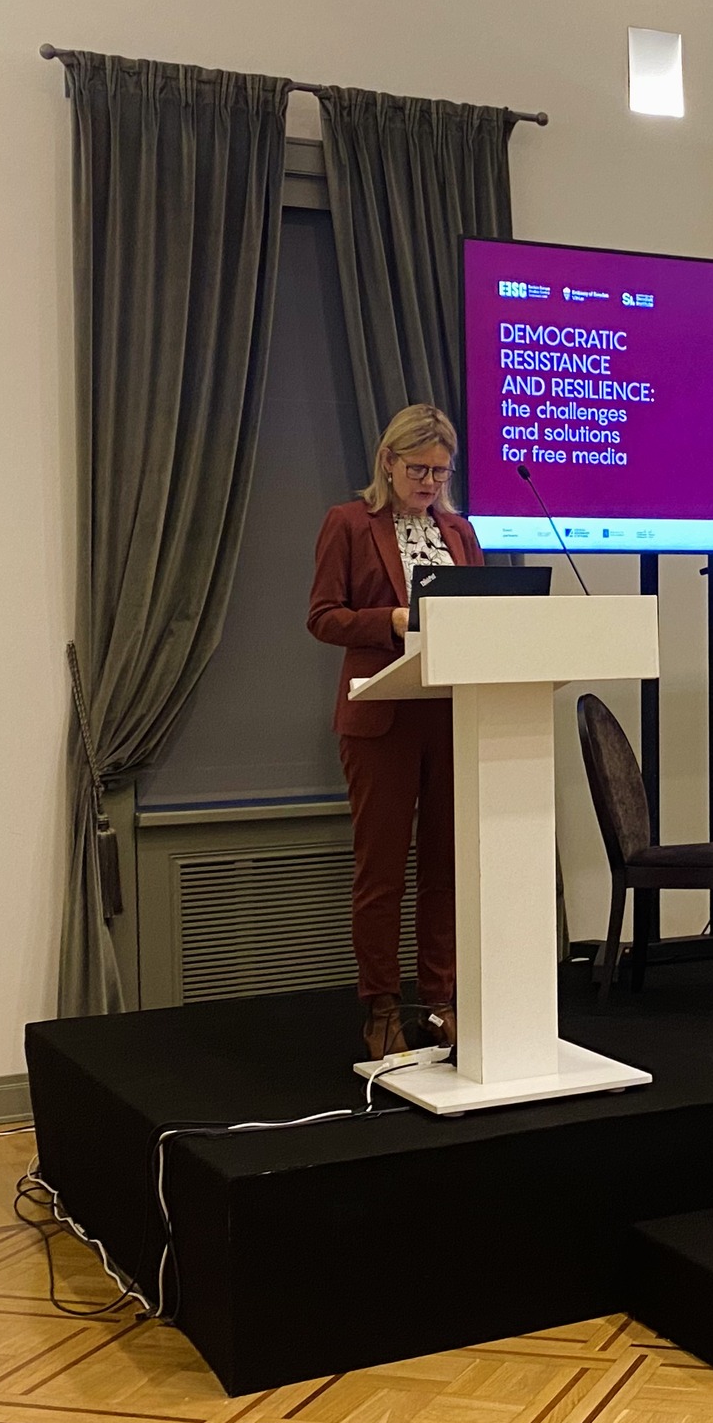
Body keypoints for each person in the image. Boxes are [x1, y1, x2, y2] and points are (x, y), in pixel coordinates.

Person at [307, 404, 484, 1060]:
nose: (430, 483)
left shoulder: (460, 532)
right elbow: (323, 616)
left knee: (444, 868)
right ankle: (381, 1006)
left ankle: (439, 1000)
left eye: (440, 472)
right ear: (388, 462)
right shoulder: (349, 524)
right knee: (382, 872)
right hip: (380, 719)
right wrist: (391, 620)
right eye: (418, 470)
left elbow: (480, 614)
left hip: (449, 713)